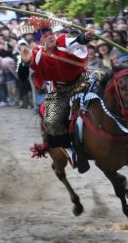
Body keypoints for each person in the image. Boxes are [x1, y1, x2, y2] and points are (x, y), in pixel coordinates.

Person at [18, 18, 94, 167]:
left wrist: (88, 36)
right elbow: (22, 77)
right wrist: (25, 63)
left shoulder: (63, 41)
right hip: (61, 90)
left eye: (51, 33)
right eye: (45, 36)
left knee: (115, 85)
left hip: (84, 80)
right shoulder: (37, 55)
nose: (51, 36)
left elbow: (79, 40)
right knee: (51, 121)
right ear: (40, 43)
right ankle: (69, 149)